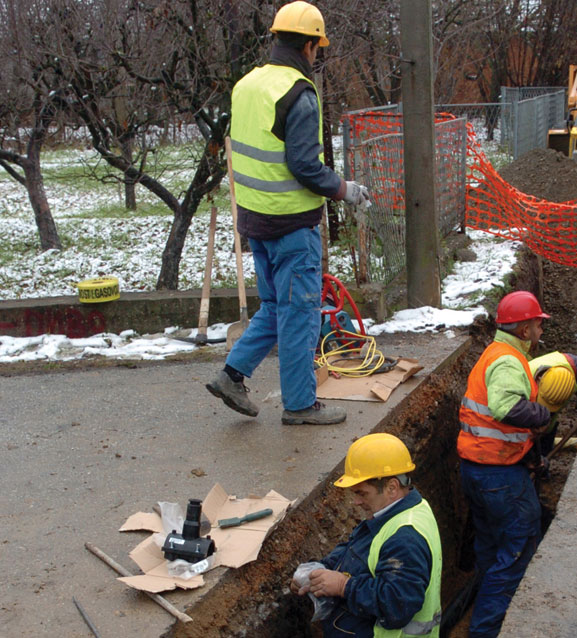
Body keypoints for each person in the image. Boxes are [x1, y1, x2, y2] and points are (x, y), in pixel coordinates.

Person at [206, 1, 370, 425]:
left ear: (276, 38)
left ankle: (231, 375)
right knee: (298, 316)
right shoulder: (298, 93)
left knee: (277, 308)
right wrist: (345, 189)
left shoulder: (247, 85)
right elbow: (304, 166)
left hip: (255, 222)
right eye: (318, 47)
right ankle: (300, 405)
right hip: (292, 227)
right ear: (311, 46)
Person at [457, 290, 551, 638]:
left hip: (477, 470)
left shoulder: (494, 353)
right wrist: (542, 414)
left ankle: (479, 609)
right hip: (498, 477)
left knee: (491, 546)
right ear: (525, 329)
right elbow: (503, 407)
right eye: (538, 325)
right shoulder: (510, 361)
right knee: (516, 551)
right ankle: (485, 630)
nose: (541, 332)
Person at [290, 433, 442, 638]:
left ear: (392, 488)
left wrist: (343, 586)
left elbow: (397, 605)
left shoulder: (405, 538)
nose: (356, 502)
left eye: (362, 493)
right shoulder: (393, 512)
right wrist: (320, 570)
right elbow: (359, 548)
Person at [529, 351, 577, 457]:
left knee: (547, 433)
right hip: (527, 411)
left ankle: (544, 458)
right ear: (539, 380)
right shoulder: (524, 379)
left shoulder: (576, 366)